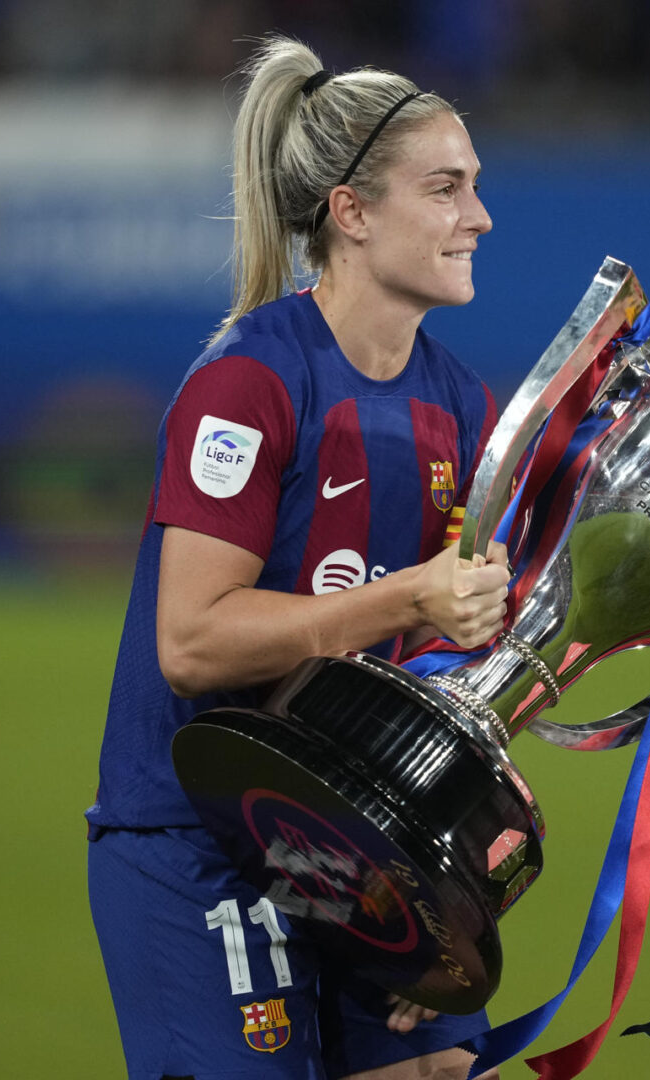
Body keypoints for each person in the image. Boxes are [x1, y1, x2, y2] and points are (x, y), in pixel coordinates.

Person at [86, 35, 510, 1080]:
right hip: (200, 839)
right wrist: (404, 595)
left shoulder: (459, 404)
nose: (478, 218)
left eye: (475, 187)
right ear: (351, 211)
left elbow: (452, 658)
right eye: (445, 188)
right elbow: (189, 642)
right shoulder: (249, 383)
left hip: (355, 847)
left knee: (435, 1070)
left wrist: (440, 889)